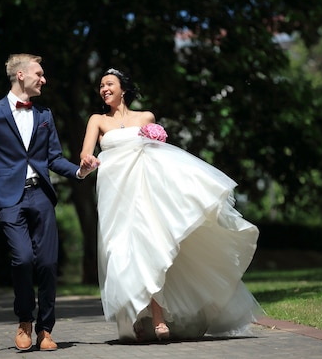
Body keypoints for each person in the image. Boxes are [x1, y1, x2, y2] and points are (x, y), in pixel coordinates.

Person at [79, 68, 263, 342]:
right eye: (101, 86)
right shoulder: (97, 120)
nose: (104, 89)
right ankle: (137, 316)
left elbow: (160, 160)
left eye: (109, 84)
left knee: (148, 250)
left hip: (143, 194)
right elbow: (85, 156)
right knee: (121, 253)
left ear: (123, 89)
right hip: (114, 198)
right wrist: (85, 165)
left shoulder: (146, 118)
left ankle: (157, 318)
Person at [0, 53, 99, 351]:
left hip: (41, 195)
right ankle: (25, 319)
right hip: (9, 197)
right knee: (22, 259)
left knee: (48, 263)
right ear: (21, 75)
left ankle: (45, 330)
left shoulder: (45, 115)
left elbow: (54, 159)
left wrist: (78, 170)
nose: (44, 79)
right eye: (39, 73)